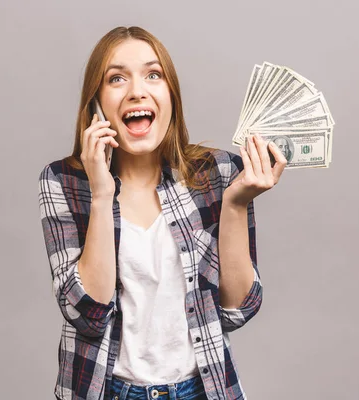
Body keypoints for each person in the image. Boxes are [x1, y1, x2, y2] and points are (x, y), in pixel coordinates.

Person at [38, 26, 287, 400]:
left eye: (153, 75)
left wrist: (235, 203)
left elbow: (238, 310)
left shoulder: (216, 174)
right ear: (96, 104)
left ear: (171, 96)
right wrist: (102, 194)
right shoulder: (63, 182)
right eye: (117, 78)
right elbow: (86, 314)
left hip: (202, 390)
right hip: (107, 391)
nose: (137, 90)